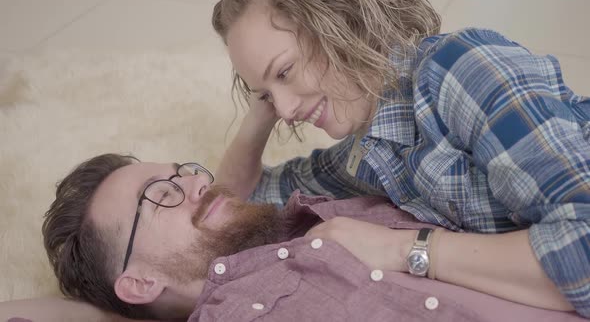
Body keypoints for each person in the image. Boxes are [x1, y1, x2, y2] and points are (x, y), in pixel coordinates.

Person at [211, 0, 590, 318]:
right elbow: (240, 196)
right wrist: (260, 106)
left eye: (285, 71)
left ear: (340, 21)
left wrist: (403, 249)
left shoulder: (461, 67)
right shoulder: (370, 153)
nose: (286, 109)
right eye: (266, 94)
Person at [1, 153, 587, 322]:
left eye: (181, 171)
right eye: (159, 195)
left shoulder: (314, 207)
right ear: (138, 280)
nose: (194, 184)